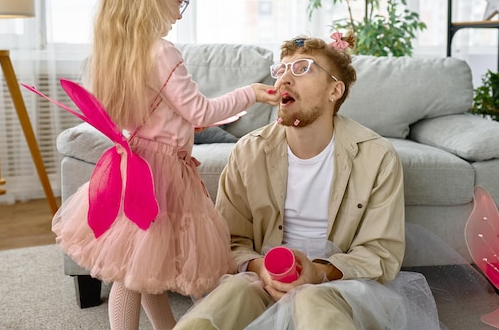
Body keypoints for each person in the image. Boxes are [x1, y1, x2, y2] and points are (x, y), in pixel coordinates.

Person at [51, 0, 280, 330]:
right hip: (159, 174)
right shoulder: (162, 51)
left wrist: (182, 128)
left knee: (145, 263)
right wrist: (251, 93)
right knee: (131, 273)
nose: (179, 12)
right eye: (178, 0)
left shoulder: (120, 51)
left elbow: (156, 115)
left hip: (135, 164)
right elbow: (199, 111)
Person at [172, 34, 441, 330]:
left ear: (334, 90)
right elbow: (231, 241)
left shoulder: (377, 156)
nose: (285, 78)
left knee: (312, 301)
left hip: (338, 283)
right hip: (263, 277)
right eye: (282, 69)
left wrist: (316, 272)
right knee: (234, 293)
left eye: (302, 69)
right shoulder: (248, 152)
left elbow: (380, 253)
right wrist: (260, 268)